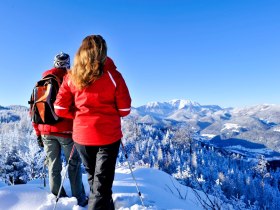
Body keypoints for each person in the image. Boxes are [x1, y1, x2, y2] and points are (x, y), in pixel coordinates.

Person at [54, 35, 131, 210]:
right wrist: (110, 112)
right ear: (103, 51)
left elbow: (59, 108)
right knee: (102, 183)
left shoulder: (72, 76)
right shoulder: (113, 75)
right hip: (108, 136)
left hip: (82, 137)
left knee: (94, 179)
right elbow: (125, 110)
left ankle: (106, 206)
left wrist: (78, 114)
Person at [32, 52, 88, 207]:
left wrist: (38, 133)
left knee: (53, 165)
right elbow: (77, 106)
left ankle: (58, 196)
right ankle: (80, 197)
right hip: (66, 131)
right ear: (67, 64)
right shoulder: (70, 80)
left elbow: (34, 112)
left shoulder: (41, 82)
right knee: (74, 164)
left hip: (45, 132)